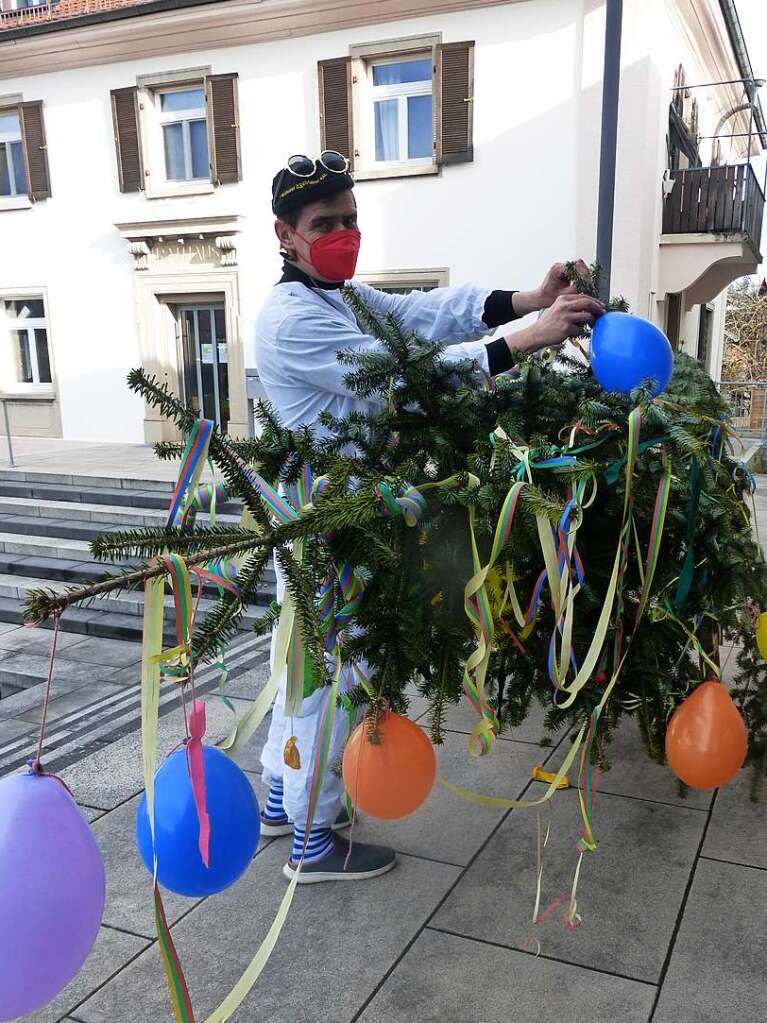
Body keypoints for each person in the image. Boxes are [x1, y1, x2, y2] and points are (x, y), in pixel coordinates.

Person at [254, 151, 604, 884]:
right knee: (330, 671)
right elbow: (410, 381)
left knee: (304, 662)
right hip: (331, 517)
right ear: (285, 234)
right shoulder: (292, 320)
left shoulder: (340, 296)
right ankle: (312, 842)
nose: (344, 233)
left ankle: (282, 800)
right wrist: (529, 339)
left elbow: (421, 312)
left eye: (350, 219)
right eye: (325, 224)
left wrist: (523, 297)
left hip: (342, 505)